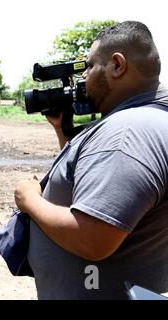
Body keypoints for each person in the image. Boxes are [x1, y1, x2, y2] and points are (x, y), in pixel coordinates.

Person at [14, 21, 168, 299]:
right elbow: (95, 182)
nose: (83, 78)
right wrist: (62, 131)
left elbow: (93, 238)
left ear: (117, 65)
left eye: (88, 66)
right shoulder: (152, 119)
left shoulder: (125, 134)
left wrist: (30, 200)